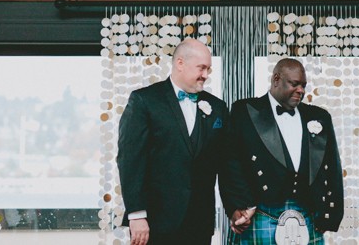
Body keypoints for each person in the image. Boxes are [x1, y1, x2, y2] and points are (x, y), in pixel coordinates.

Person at [117, 38, 229, 245]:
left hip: (199, 223)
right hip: (155, 222)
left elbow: (225, 162)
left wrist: (236, 206)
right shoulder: (144, 100)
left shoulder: (217, 107)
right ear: (180, 63)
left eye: (209, 69)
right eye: (201, 68)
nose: (206, 75)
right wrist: (137, 215)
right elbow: (130, 160)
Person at [221, 58, 344, 244]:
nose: (301, 90)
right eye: (294, 84)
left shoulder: (319, 117)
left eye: (303, 85)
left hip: (308, 215)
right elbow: (230, 164)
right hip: (261, 213)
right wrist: (237, 206)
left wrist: (330, 215)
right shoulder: (245, 111)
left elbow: (332, 167)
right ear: (276, 79)